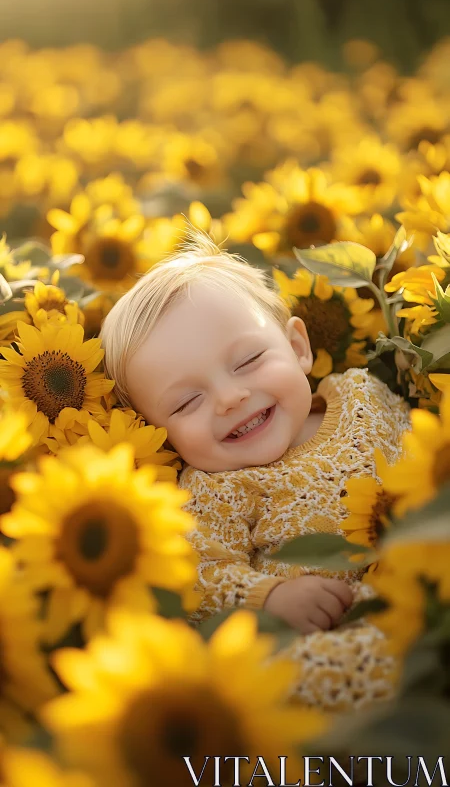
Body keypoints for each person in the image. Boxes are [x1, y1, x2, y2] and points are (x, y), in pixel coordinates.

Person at [101, 226, 411, 713]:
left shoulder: (362, 393)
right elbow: (199, 575)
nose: (230, 398)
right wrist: (269, 597)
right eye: (187, 402)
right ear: (158, 433)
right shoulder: (212, 489)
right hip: (341, 634)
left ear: (297, 347)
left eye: (248, 360)